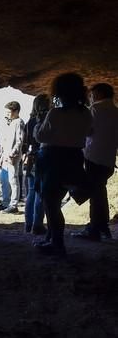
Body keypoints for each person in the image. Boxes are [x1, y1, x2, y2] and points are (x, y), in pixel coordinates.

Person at [34, 73, 92, 256]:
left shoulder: (55, 113)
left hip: (52, 158)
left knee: (50, 203)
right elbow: (90, 132)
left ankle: (57, 244)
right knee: (56, 200)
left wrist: (37, 125)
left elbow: (41, 137)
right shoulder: (86, 112)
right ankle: (51, 237)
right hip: (74, 158)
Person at [72, 83, 118, 241]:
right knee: (100, 191)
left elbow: (87, 131)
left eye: (91, 95)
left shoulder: (94, 110)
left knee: (95, 193)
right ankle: (102, 226)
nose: (90, 98)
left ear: (97, 94)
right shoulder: (116, 111)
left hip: (93, 156)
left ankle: (94, 229)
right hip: (108, 158)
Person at [23, 94, 50, 234]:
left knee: (31, 192)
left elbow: (25, 141)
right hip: (43, 156)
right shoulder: (48, 118)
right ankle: (37, 224)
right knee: (41, 192)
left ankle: (28, 224)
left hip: (31, 157)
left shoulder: (29, 121)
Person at [0, 101, 25, 213]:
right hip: (5, 156)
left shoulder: (19, 122)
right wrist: (2, 155)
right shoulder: (10, 122)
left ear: (16, 111)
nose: (6, 114)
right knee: (4, 180)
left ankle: (13, 204)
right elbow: (5, 140)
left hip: (12, 157)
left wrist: (12, 154)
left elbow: (19, 140)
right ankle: (5, 202)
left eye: (8, 112)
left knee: (13, 180)